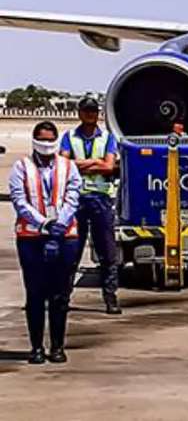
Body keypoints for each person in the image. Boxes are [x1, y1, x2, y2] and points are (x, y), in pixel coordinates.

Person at [9, 121, 82, 364]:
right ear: (34, 140)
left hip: (65, 236)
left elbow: (73, 197)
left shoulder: (68, 167)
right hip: (31, 238)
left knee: (60, 295)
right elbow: (19, 201)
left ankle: (57, 346)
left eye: (51, 140)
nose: (47, 144)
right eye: (42, 139)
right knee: (35, 294)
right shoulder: (21, 167)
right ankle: (36, 347)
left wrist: (59, 225)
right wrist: (44, 224)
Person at [60, 96, 122, 314]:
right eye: (86, 111)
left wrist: (80, 166)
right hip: (76, 199)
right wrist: (95, 162)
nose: (90, 114)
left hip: (100, 199)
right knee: (71, 252)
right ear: (79, 113)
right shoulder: (69, 137)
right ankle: (63, 298)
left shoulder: (107, 138)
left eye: (93, 111)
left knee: (107, 253)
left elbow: (109, 167)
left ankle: (110, 298)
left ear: (98, 114)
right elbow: (63, 165)